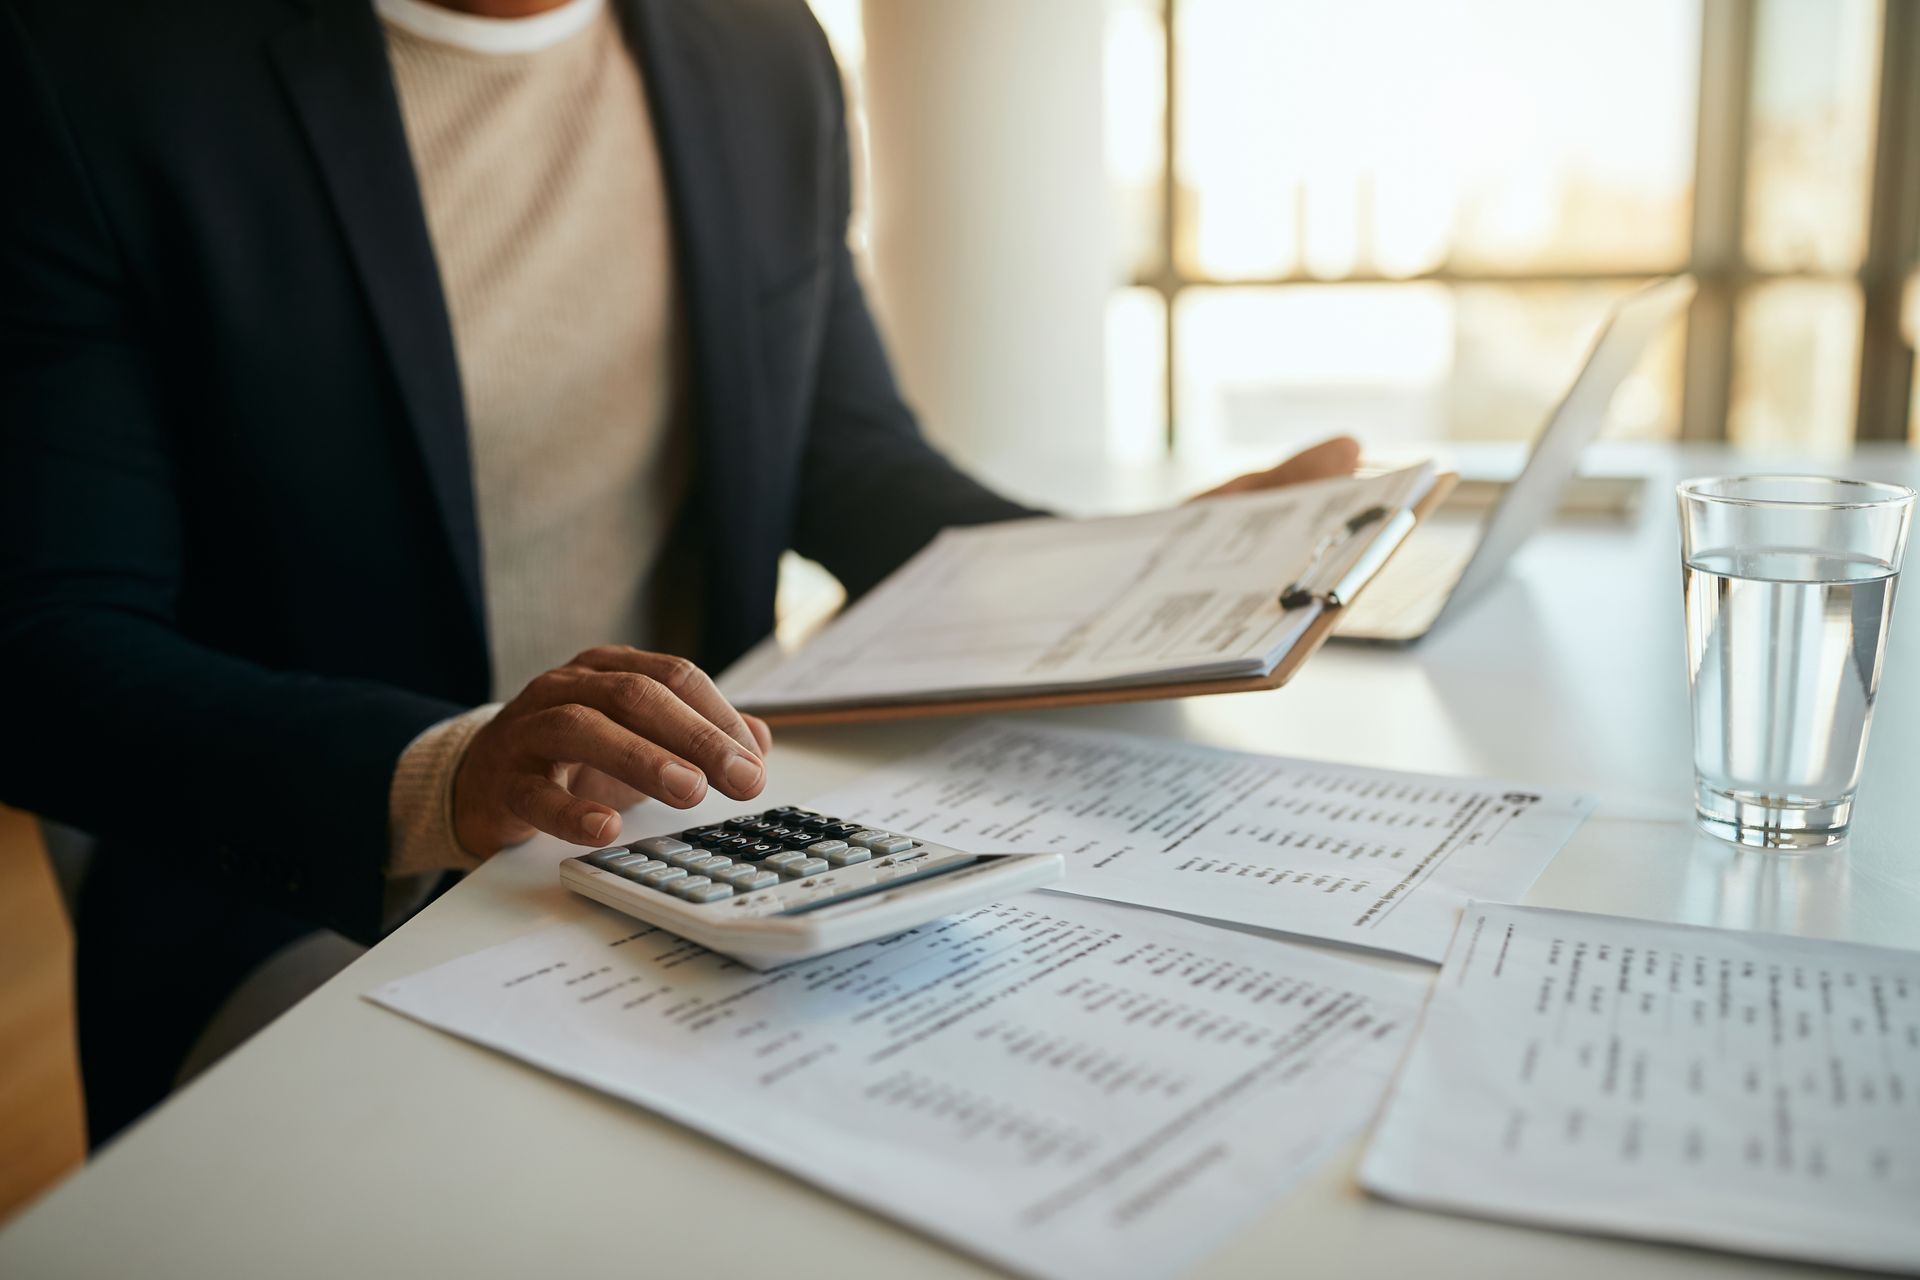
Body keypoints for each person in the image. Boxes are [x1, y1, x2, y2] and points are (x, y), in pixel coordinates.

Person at [0, 0, 1358, 1143]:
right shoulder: (97, 68)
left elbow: (860, 468)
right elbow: (47, 647)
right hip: (300, 888)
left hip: (708, 846)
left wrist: (1153, 567)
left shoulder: (755, 46)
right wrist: (452, 772)